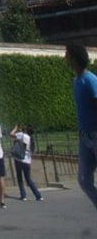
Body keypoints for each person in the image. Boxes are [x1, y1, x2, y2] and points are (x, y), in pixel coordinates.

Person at [66, 43, 97, 210]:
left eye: (67, 54)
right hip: (85, 137)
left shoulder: (90, 80)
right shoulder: (76, 81)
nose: (65, 58)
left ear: (73, 58)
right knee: (84, 179)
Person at [9, 123, 42, 201]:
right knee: (28, 179)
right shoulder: (31, 138)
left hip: (19, 159)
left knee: (20, 178)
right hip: (27, 160)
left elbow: (11, 134)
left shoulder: (21, 135)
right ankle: (38, 195)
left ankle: (23, 195)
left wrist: (15, 128)